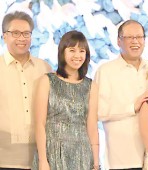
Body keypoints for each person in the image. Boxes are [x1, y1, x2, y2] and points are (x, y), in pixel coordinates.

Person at [31, 30, 99, 170]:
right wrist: (43, 160)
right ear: (62, 52)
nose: (77, 55)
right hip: (52, 151)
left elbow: (92, 127)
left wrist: (96, 163)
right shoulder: (47, 81)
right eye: (72, 50)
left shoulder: (91, 85)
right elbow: (40, 124)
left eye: (82, 51)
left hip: (82, 153)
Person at [94, 20, 148, 169]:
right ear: (118, 41)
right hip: (121, 158)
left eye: (139, 37)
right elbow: (98, 111)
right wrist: (132, 107)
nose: (135, 41)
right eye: (130, 37)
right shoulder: (106, 71)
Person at [0, 11, 51, 170]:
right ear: (4, 36)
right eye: (15, 33)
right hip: (4, 159)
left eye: (26, 33)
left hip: (40, 159)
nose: (21, 38)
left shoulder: (44, 68)